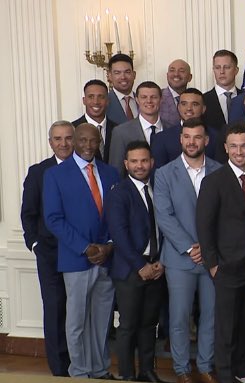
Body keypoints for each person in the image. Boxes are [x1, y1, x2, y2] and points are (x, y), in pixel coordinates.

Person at [42, 123, 120, 379]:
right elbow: (53, 219)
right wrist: (85, 247)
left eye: (93, 141)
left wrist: (108, 246)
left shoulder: (110, 173)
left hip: (105, 259)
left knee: (101, 321)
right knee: (75, 322)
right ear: (75, 141)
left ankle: (99, 369)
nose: (88, 146)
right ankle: (79, 372)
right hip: (76, 259)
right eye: (83, 140)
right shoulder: (55, 175)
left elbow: (116, 215)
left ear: (99, 142)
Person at [153, 119, 221, 383]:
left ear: (207, 141)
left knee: (211, 315)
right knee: (179, 317)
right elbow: (165, 216)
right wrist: (190, 247)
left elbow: (223, 215)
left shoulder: (219, 171)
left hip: (211, 256)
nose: (192, 142)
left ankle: (205, 366)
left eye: (198, 137)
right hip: (180, 258)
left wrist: (207, 247)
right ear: (181, 140)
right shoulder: (164, 173)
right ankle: (182, 370)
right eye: (187, 137)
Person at [196, 124, 245, 383]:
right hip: (225, 266)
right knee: (225, 326)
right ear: (225, 148)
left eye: (244, 145)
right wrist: (213, 265)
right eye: (233, 146)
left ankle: (243, 372)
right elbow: (204, 225)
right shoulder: (214, 181)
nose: (239, 151)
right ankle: (224, 375)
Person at [105, 140, 168, 382]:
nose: (140, 166)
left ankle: (147, 371)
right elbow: (119, 235)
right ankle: (127, 375)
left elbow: (163, 230)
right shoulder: (119, 193)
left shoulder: (156, 189)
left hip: (156, 267)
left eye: (144, 161)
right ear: (126, 164)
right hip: (131, 270)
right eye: (134, 161)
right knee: (128, 326)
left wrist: (160, 262)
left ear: (151, 162)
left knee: (148, 324)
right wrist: (140, 266)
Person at [20, 120, 74, 376]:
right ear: (50, 142)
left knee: (78, 309)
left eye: (67, 138)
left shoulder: (86, 169)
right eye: (58, 139)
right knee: (54, 309)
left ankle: (81, 361)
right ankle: (60, 368)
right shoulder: (38, 172)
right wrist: (35, 243)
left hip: (80, 253)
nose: (63, 143)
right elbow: (28, 213)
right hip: (50, 253)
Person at [151, 88, 226, 167]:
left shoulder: (217, 137)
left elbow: (220, 170)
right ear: (178, 107)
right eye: (184, 104)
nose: (189, 108)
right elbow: (159, 173)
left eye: (194, 104)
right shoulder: (161, 138)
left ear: (203, 109)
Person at [110, 81, 164, 171]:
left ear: (161, 100)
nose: (149, 101)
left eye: (154, 97)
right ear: (137, 100)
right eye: (144, 97)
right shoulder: (120, 132)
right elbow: (116, 169)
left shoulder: (172, 128)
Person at [73, 79, 118, 163]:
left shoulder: (118, 129)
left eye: (101, 97)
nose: (96, 102)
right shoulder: (73, 129)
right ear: (84, 100)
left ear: (107, 101)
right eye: (91, 97)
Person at [203, 50, 241, 130]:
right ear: (213, 70)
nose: (222, 72)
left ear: (236, 70)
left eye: (226, 67)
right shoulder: (203, 100)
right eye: (217, 68)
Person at [159, 59, 193, 128]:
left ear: (190, 77)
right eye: (172, 70)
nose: (176, 74)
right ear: (167, 75)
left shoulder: (197, 98)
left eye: (181, 71)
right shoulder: (157, 97)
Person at [105, 53, 138, 123]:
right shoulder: (104, 103)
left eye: (127, 72)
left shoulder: (143, 100)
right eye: (117, 73)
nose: (123, 77)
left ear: (134, 75)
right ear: (109, 76)